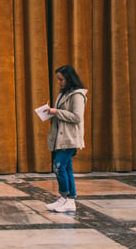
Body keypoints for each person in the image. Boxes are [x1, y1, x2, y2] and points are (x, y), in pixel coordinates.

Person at [44, 65, 87, 214]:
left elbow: (77, 117)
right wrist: (51, 112)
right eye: (58, 79)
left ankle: (65, 195)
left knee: (58, 166)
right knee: (67, 167)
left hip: (70, 137)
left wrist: (57, 112)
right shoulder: (63, 93)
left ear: (69, 79)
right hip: (60, 136)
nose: (59, 82)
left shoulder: (77, 95)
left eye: (61, 79)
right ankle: (69, 199)